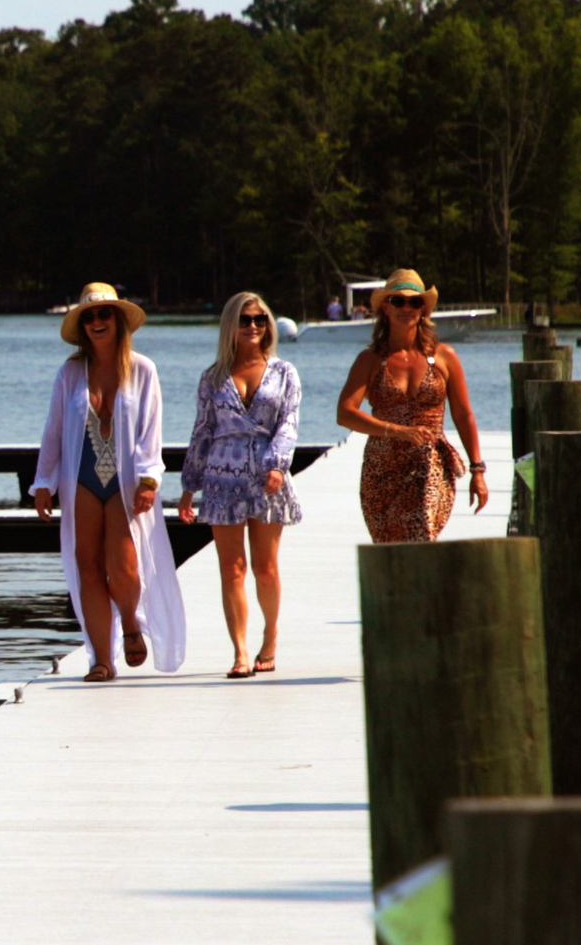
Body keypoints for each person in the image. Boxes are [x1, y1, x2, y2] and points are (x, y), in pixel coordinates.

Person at [32, 282, 186, 681]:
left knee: (122, 566)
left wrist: (150, 480)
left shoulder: (143, 369)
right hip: (79, 479)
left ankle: (132, 624)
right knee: (88, 567)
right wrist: (43, 482)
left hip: (126, 480)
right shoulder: (70, 373)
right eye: (89, 317)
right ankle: (101, 659)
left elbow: (152, 429)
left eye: (104, 315)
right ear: (82, 326)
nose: (97, 322)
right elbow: (53, 430)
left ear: (118, 321)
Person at [178, 292, 302, 677]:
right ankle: (241, 652)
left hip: (267, 474)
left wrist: (279, 466)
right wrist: (188, 485)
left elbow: (289, 424)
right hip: (221, 476)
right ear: (230, 325)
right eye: (245, 320)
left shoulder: (284, 373)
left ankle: (270, 637)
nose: (253, 326)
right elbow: (202, 432)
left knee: (265, 568)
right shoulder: (212, 377)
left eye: (260, 319)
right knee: (231, 569)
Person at [335, 267, 489, 541]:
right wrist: (397, 430)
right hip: (382, 469)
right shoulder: (369, 360)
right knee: (390, 554)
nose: (407, 307)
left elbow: (464, 415)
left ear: (424, 310)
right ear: (385, 307)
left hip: (429, 464)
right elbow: (345, 414)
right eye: (398, 301)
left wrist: (477, 470)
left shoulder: (444, 357)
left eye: (415, 302)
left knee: (422, 535)